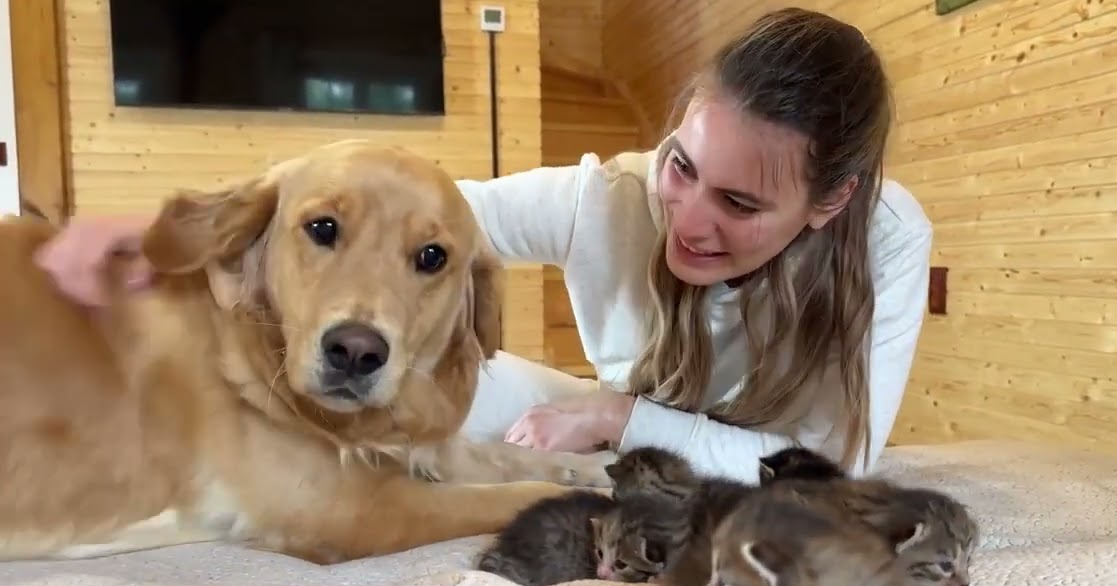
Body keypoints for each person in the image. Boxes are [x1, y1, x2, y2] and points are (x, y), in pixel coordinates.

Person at [34, 8, 932, 483]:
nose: (688, 219)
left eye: (739, 201)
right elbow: (405, 206)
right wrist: (177, 224)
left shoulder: (887, 239)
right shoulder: (608, 200)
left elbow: (828, 470)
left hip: (641, 422)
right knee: (453, 388)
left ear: (830, 202)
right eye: (681, 165)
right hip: (627, 413)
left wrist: (617, 421)